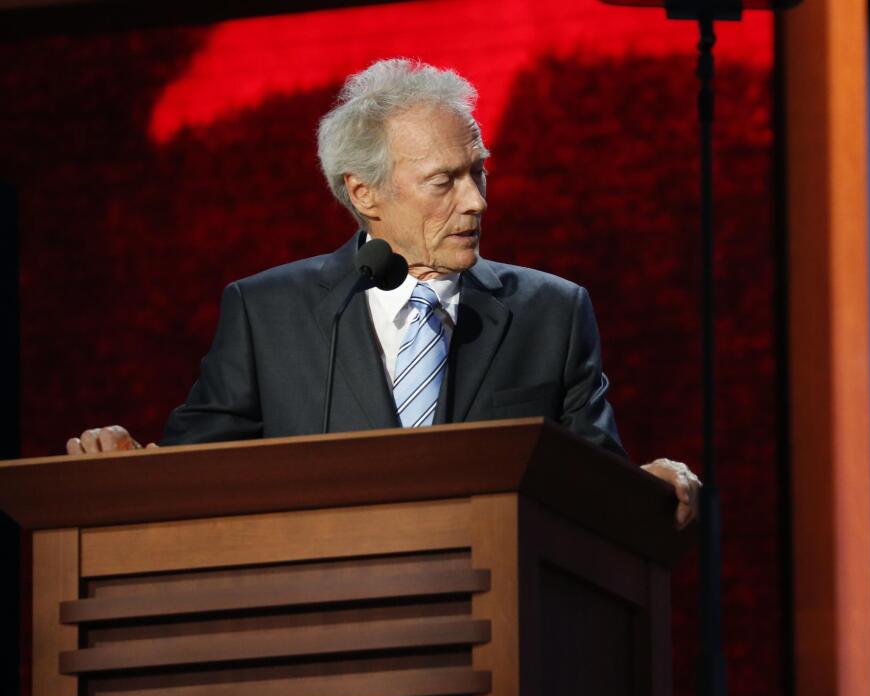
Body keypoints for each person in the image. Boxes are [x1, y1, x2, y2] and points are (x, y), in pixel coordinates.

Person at [67, 58, 699, 528]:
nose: (476, 201)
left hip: (499, 630)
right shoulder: (268, 314)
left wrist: (648, 489)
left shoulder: (553, 313)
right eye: (443, 181)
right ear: (365, 194)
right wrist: (121, 467)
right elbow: (188, 476)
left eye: (478, 171)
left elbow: (600, 489)